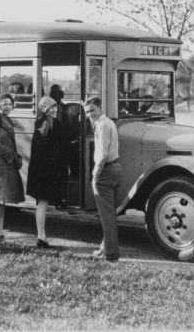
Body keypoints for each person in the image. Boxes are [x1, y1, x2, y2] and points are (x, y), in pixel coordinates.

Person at [83, 96, 122, 262]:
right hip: (115, 169)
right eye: (86, 112)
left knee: (106, 217)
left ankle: (110, 254)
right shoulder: (108, 122)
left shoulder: (103, 125)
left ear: (100, 108)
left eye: (92, 110)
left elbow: (101, 153)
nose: (89, 114)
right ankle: (103, 248)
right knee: (109, 213)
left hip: (105, 171)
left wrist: (95, 174)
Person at [0, 93, 25, 243]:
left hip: (5, 165)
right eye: (4, 104)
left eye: (10, 104)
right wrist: (13, 155)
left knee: (2, 201)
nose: (8, 106)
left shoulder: (6, 120)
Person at [26, 96, 62, 248]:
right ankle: (41, 236)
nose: (55, 109)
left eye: (55, 107)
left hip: (46, 169)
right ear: (45, 110)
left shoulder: (50, 122)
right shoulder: (44, 123)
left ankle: (42, 236)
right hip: (42, 171)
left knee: (43, 202)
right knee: (42, 202)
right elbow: (42, 149)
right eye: (51, 108)